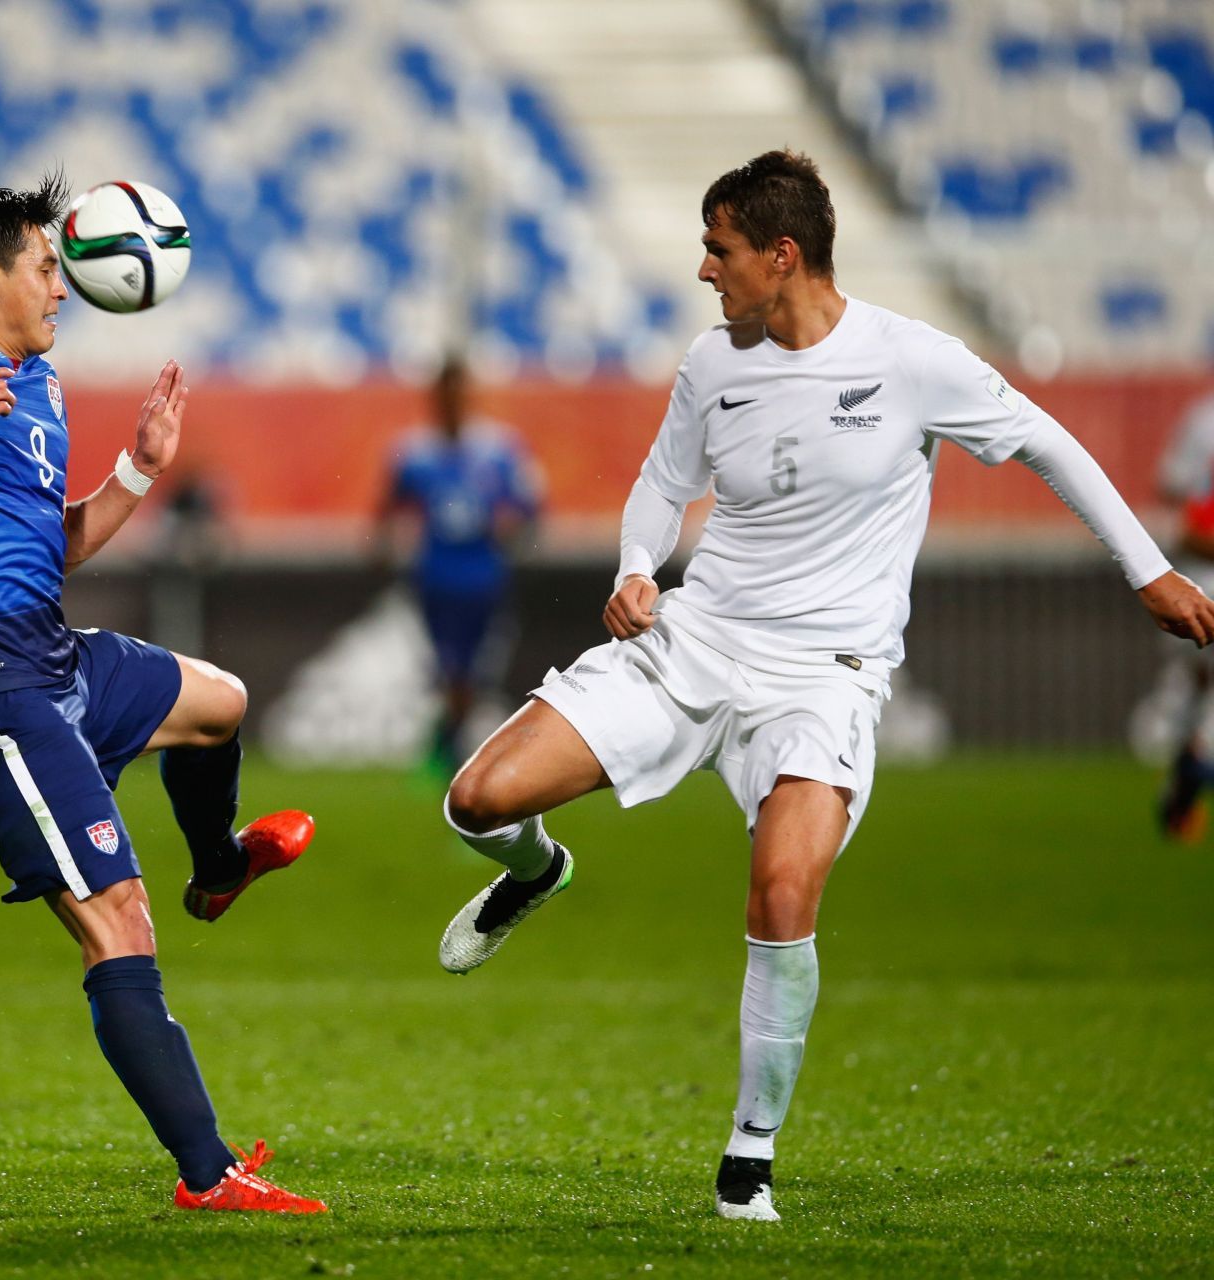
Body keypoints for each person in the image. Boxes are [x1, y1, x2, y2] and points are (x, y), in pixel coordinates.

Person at [432, 151, 1214, 1222]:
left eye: (721, 249)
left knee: (784, 893)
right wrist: (632, 570)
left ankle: (748, 1157)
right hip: (696, 644)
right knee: (475, 799)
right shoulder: (715, 363)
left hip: (824, 678)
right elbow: (665, 484)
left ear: (781, 255)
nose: (707, 271)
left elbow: (1046, 441)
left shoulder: (910, 360)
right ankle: (536, 871)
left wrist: (1151, 570)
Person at [0, 176, 326, 1214]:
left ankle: (216, 870)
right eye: (47, 267)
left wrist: (136, 468)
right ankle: (209, 1174)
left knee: (221, 699)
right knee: (118, 922)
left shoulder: (31, 380)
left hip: (55, 659)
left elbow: (54, 546)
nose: (63, 288)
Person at [377, 356, 542, 770]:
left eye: (458, 391)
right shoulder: (414, 453)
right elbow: (388, 508)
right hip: (434, 577)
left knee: (471, 673)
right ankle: (453, 749)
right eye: (444, 392)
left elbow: (528, 506)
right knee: (449, 670)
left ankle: (448, 745)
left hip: (483, 577)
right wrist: (386, 545)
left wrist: (513, 529)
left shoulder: (498, 450)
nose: (451, 400)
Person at [1150, 388, 1214, 838]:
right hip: (1201, 577)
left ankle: (1182, 796)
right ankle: (1192, 770)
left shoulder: (1202, 418)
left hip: (1192, 578)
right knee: (1200, 700)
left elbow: (1171, 486)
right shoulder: (1205, 420)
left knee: (1198, 695)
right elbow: (1185, 512)